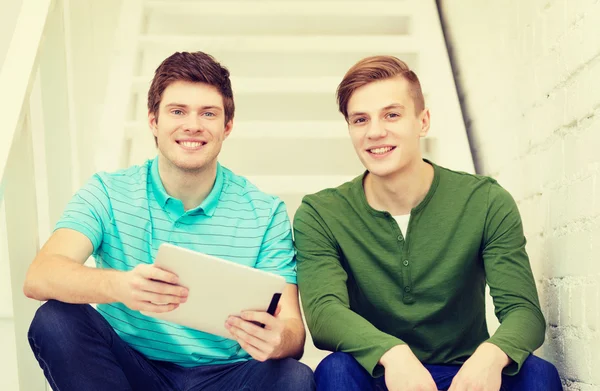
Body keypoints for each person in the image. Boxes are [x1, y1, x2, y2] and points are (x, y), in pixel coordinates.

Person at [24, 51, 314, 391]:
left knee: (294, 377)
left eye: (208, 113)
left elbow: (293, 331)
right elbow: (40, 275)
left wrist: (279, 340)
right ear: (153, 122)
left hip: (226, 376)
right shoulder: (108, 191)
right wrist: (120, 287)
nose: (192, 125)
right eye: (177, 111)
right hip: (132, 369)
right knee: (55, 320)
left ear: (227, 127)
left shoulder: (265, 213)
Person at [293, 55, 562, 391]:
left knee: (539, 375)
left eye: (392, 114)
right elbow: (323, 314)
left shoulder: (485, 200)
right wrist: (392, 354)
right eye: (360, 120)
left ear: (423, 121)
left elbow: (524, 312)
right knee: (336, 370)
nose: (375, 132)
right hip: (381, 374)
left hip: (466, 374)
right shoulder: (321, 213)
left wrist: (491, 355)